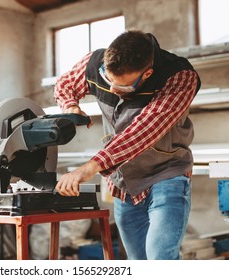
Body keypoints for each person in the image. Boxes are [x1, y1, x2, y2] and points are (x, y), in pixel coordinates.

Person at [54, 30, 201, 260]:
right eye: (107, 80)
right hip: (124, 185)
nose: (113, 90)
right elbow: (65, 84)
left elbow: (143, 132)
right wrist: (70, 105)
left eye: (123, 88)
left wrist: (89, 167)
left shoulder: (180, 77)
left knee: (160, 259)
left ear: (147, 73)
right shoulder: (95, 62)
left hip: (166, 176)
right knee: (136, 263)